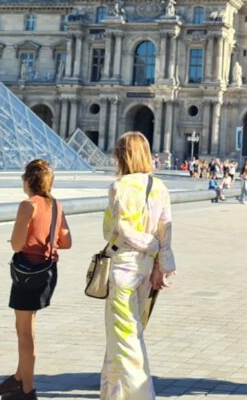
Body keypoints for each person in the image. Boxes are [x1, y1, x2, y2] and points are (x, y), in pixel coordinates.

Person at [100, 132, 176, 400]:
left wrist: (149, 246)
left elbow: (115, 230)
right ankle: (112, 393)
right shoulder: (159, 186)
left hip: (123, 270)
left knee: (127, 336)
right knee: (120, 334)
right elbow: (165, 232)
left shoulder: (119, 187)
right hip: (145, 271)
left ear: (123, 155)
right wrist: (161, 265)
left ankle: (142, 395)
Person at [0, 159, 72, 400]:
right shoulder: (57, 205)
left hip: (28, 272)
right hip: (47, 272)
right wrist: (45, 240)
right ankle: (19, 375)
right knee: (26, 327)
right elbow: (66, 242)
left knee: (25, 332)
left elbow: (17, 244)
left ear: (29, 180)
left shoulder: (28, 205)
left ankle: (27, 389)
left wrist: (27, 241)